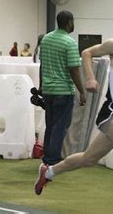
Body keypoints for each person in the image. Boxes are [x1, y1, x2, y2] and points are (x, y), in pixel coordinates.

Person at [34, 8, 113, 214]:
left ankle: (48, 172)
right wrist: (91, 78)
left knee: (88, 159)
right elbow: (87, 53)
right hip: (111, 112)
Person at [38, 10, 86, 167]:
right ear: (69, 22)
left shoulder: (46, 39)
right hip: (63, 91)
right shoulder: (69, 42)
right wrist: (82, 91)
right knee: (60, 126)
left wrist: (41, 85)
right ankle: (52, 161)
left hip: (48, 91)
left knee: (50, 124)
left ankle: (47, 157)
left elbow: (42, 65)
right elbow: (74, 69)